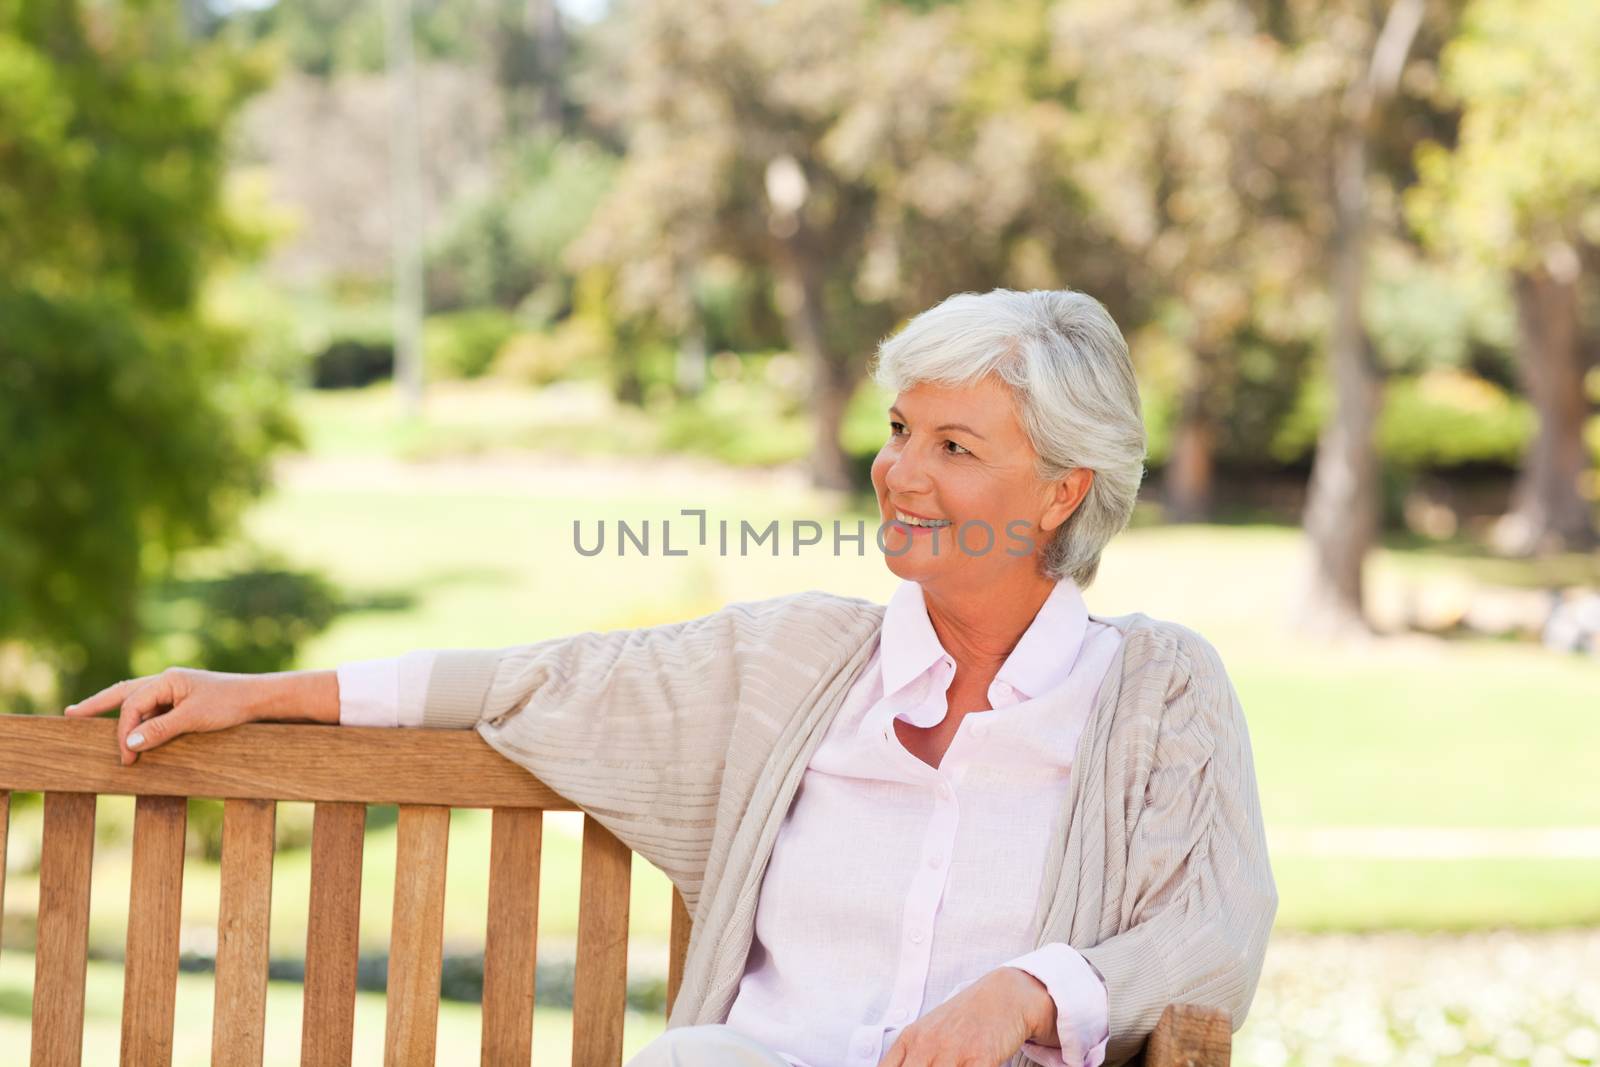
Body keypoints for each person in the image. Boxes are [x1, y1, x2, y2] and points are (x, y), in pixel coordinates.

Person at [64, 288, 1277, 1067]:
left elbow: (1213, 933)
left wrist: (1021, 991)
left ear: (1062, 489)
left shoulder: (1156, 691)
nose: (897, 471)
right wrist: (264, 691)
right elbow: (536, 680)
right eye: (900, 428)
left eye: (952, 445)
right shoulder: (803, 663)